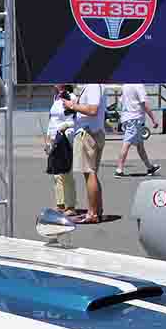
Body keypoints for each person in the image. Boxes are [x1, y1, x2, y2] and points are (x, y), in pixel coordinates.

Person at [71, 82, 106, 223]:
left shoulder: (93, 85)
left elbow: (92, 110)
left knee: (89, 173)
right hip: (95, 131)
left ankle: (92, 213)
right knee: (92, 173)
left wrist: (72, 106)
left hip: (88, 132)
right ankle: (97, 210)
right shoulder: (99, 86)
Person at [45, 84, 80, 217]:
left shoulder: (72, 97)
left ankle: (70, 205)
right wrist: (48, 139)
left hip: (66, 138)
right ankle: (60, 204)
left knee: (66, 172)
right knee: (56, 173)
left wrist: (65, 126)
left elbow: (76, 120)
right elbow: (52, 120)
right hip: (54, 139)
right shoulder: (56, 98)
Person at [113, 83, 160, 178]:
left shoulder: (125, 85)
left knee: (140, 145)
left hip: (127, 118)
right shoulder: (139, 85)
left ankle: (149, 167)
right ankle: (119, 169)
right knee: (127, 143)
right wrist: (153, 118)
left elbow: (121, 101)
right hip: (135, 118)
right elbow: (144, 104)